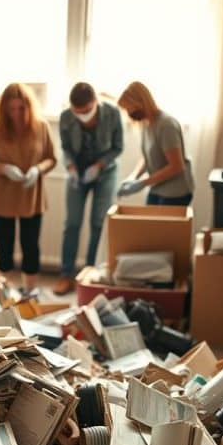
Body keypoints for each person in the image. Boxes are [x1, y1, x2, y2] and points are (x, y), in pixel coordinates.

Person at [0, 83, 56, 292]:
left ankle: (30, 291)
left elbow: (51, 159)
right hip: (3, 197)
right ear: (4, 109)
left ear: (29, 106)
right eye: (11, 109)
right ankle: (7, 291)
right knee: (4, 248)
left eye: (21, 108)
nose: (16, 114)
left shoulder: (41, 127)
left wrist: (37, 170)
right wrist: (3, 169)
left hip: (32, 196)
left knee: (31, 246)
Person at [54, 82, 124, 295]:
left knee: (98, 223)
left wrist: (100, 165)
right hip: (77, 172)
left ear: (95, 103)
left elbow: (118, 147)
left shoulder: (112, 113)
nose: (81, 115)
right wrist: (71, 167)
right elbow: (65, 147)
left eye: (85, 111)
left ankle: (90, 275)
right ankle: (66, 275)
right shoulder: (66, 117)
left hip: (105, 172)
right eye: (77, 112)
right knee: (72, 223)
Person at [116, 81, 194, 206]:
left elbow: (177, 166)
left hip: (175, 192)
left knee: (161, 225)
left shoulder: (166, 125)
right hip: (157, 188)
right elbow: (148, 157)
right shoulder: (147, 124)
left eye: (129, 108)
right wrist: (133, 177)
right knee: (149, 224)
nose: (129, 113)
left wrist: (143, 183)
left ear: (141, 103)